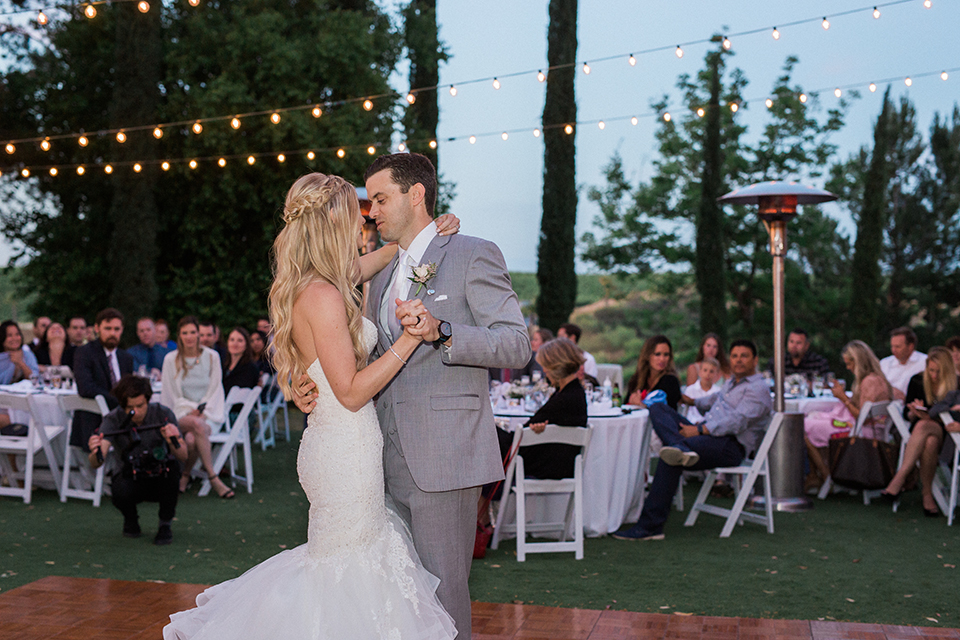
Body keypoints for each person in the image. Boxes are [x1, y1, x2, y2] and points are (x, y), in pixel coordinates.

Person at [164, 168, 471, 639]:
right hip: (345, 446)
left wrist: (428, 232)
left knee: (347, 565)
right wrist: (411, 339)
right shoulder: (325, 295)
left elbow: (381, 258)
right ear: (334, 221)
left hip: (334, 443)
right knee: (347, 574)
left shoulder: (317, 280)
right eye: (356, 213)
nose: (364, 221)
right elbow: (350, 392)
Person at [612, 339, 772, 541]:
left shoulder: (758, 389)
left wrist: (699, 429)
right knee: (658, 407)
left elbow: (737, 421)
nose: (738, 360)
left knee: (672, 456)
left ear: (755, 360)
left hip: (730, 446)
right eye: (734, 356)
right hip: (710, 438)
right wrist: (688, 400)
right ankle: (678, 446)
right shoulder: (733, 382)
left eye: (744, 356)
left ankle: (650, 526)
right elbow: (712, 402)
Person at [87, 375, 186, 544]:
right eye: (130, 408)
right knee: (119, 489)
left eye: (140, 406)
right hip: (130, 476)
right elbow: (97, 461)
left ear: (148, 400)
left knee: (173, 471)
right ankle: (130, 519)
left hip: (159, 475)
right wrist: (95, 450)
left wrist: (172, 440)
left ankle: (165, 525)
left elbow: (183, 455)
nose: (136, 412)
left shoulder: (163, 413)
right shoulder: (113, 419)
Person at [803, 340, 894, 488]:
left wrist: (843, 398)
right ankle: (820, 476)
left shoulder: (869, 382)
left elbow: (861, 417)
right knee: (810, 423)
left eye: (849, 364)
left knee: (804, 427)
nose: (848, 368)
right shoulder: (876, 378)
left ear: (858, 362)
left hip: (863, 433)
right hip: (869, 429)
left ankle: (825, 476)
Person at [160, 316, 232, 499]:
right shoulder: (170, 359)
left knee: (192, 439)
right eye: (185, 333)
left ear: (199, 335)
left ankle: (184, 475)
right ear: (179, 336)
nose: (190, 336)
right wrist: (190, 410)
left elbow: (216, 388)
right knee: (196, 426)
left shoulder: (212, 357)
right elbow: (170, 394)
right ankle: (213, 476)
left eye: (193, 332)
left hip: (208, 414)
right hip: (180, 413)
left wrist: (202, 410)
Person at [881, 347, 958, 515]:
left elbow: (953, 417)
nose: (934, 375)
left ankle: (899, 479)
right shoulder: (917, 381)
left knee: (924, 426)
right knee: (929, 441)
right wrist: (913, 412)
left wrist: (930, 417)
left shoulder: (956, 384)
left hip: (949, 435)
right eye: (931, 370)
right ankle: (927, 495)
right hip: (925, 436)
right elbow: (907, 416)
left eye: (939, 371)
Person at [515, 337, 588, 480]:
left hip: (550, 465)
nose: (544, 370)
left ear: (556, 367)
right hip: (558, 462)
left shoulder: (565, 398)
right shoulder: (573, 392)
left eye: (546, 367)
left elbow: (523, 433)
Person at [70, 309, 134, 448]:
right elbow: (86, 388)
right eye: (108, 328)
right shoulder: (85, 353)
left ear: (122, 330)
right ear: (97, 328)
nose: (112, 333)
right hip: (95, 421)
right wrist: (119, 401)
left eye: (116, 329)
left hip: (125, 420)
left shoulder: (126, 358)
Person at [625, 334, 682, 410]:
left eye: (666, 354)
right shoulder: (636, 380)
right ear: (648, 356)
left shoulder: (671, 381)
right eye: (657, 354)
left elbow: (669, 413)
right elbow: (624, 405)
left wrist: (642, 406)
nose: (662, 359)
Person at [879, 326, 927, 398]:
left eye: (898, 347)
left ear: (910, 346)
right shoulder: (885, 363)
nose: (893, 350)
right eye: (892, 346)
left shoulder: (924, 362)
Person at [222, 327, 261, 394]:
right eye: (232, 340)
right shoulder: (223, 364)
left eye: (240, 340)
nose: (235, 344)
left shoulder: (250, 369)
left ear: (246, 345)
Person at [0, 320, 40, 384]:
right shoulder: (1, 358)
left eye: (17, 334)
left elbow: (35, 379)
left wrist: (20, 363)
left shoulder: (27, 355)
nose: (14, 338)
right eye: (10, 335)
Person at [683, 356, 722, 423]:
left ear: (716, 375)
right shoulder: (690, 390)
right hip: (691, 424)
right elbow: (686, 411)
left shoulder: (719, 391)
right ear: (700, 372)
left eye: (711, 371)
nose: (708, 374)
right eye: (705, 370)